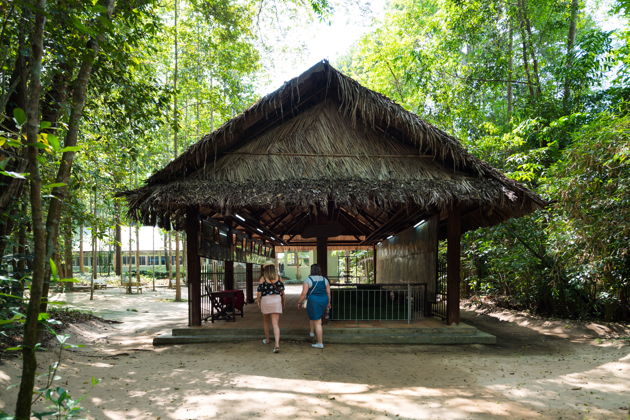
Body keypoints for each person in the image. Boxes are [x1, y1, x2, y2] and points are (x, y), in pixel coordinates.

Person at [297, 264, 331, 349]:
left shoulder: (308, 280)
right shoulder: (325, 280)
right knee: (315, 317)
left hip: (314, 301)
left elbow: (304, 293)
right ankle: (312, 332)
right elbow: (328, 293)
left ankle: (320, 343)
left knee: (318, 322)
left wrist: (299, 302)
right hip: (324, 300)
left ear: (311, 270)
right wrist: (329, 302)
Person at [255, 263, 284, 353]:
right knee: (275, 324)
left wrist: (258, 301)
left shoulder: (263, 278)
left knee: (266, 322)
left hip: (266, 300)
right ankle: (277, 345)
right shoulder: (279, 277)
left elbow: (259, 292)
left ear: (265, 269)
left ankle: (267, 339)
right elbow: (282, 292)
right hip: (276, 300)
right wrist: (283, 302)